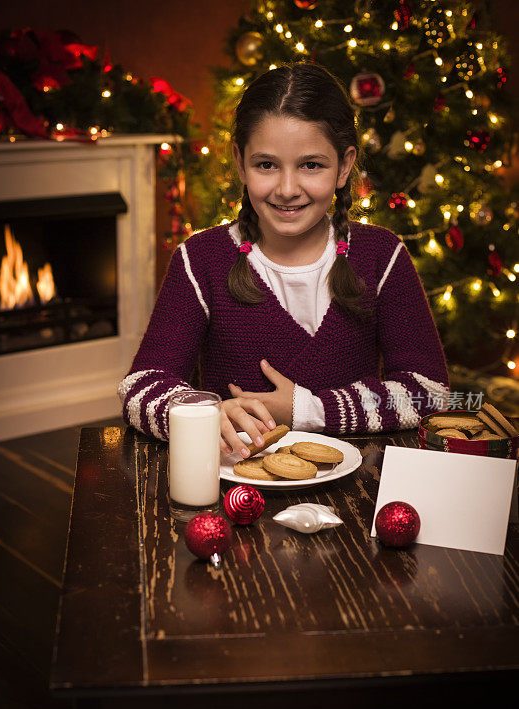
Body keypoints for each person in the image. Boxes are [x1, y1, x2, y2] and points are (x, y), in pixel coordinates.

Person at [118, 63, 449, 459]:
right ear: (240, 163)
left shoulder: (382, 256)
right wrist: (201, 414)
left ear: (344, 167)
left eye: (311, 165)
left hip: (358, 493)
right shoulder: (200, 259)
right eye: (267, 165)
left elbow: (430, 392)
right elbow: (140, 385)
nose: (287, 189)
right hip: (237, 492)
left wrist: (309, 409)